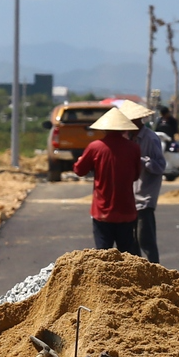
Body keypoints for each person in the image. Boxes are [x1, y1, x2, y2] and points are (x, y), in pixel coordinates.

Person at [73, 107, 141, 254]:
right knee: (128, 257)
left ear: (104, 129)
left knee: (103, 256)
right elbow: (136, 176)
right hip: (126, 210)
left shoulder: (95, 147)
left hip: (102, 211)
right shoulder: (134, 148)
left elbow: (79, 170)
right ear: (124, 129)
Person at [115, 100, 167, 262]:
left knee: (146, 240)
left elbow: (160, 167)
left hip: (144, 197)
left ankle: (157, 275)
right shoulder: (126, 138)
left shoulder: (150, 139)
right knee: (131, 243)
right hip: (129, 197)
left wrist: (143, 161)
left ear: (137, 121)